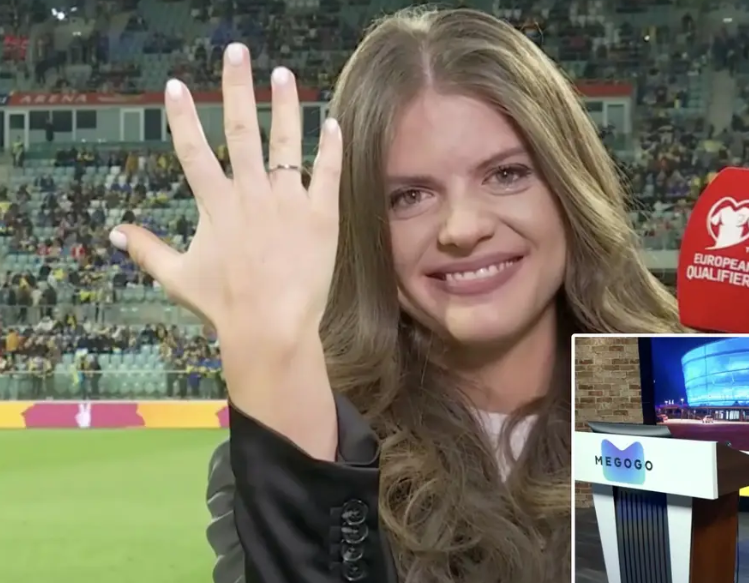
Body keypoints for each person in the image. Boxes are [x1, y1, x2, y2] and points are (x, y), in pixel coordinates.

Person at [111, 7, 683, 583]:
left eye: (506, 174)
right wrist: (276, 364)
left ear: (570, 186)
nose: (462, 228)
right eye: (410, 196)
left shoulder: (680, 393)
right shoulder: (312, 437)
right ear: (365, 230)